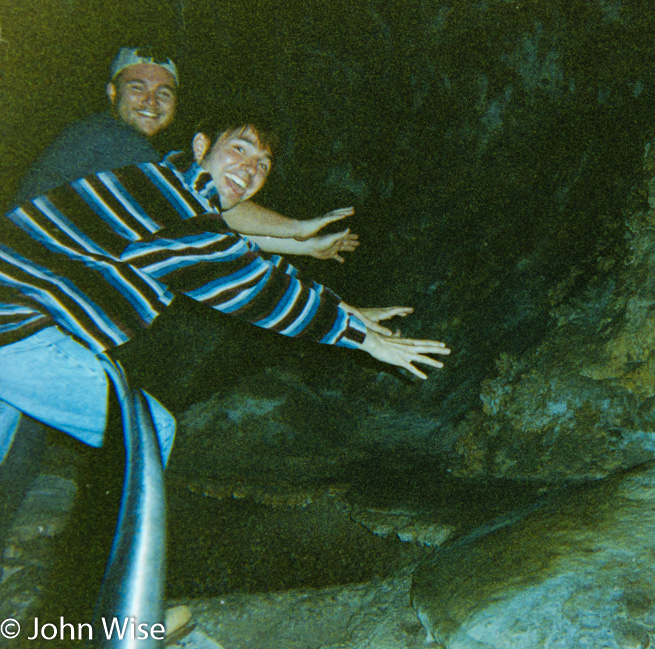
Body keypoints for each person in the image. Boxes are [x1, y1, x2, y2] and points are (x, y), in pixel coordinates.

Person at [0, 112, 449, 469]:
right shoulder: (174, 206)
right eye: (239, 149)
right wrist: (364, 340)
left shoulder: (167, 187)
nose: (250, 169)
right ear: (201, 147)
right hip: (14, 334)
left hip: (16, 327)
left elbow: (247, 260)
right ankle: (123, 582)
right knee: (150, 432)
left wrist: (351, 310)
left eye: (263, 165)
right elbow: (253, 289)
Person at [12, 46, 359, 263]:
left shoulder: (138, 158)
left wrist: (305, 247)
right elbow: (200, 202)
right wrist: (298, 230)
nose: (151, 102)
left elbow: (200, 219)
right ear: (111, 92)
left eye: (164, 93)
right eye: (137, 88)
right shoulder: (108, 137)